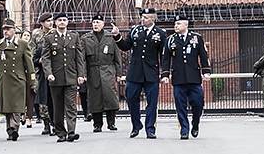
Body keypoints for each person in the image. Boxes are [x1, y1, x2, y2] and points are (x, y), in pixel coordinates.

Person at [112, 7, 166, 139]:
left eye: (146, 17)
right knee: (130, 98)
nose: (143, 19)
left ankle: (150, 129)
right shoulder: (135, 30)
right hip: (135, 72)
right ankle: (136, 124)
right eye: (142, 17)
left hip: (151, 72)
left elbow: (164, 55)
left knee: (152, 102)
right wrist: (117, 36)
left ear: (152, 19)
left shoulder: (160, 33)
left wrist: (164, 73)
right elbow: (125, 46)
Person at [161, 15, 212, 140]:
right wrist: (165, 74)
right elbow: (165, 59)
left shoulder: (196, 38)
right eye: (175, 24)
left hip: (194, 78)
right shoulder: (170, 40)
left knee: (198, 102)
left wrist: (206, 72)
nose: (176, 26)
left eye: (178, 24)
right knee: (180, 105)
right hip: (178, 78)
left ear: (186, 25)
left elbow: (203, 55)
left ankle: (195, 123)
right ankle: (184, 129)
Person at [0, 19, 36, 141]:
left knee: (17, 106)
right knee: (7, 107)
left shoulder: (22, 44)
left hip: (18, 79)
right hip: (4, 79)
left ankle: (14, 128)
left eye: (8, 29)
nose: (6, 31)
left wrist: (32, 81)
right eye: (4, 29)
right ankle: (10, 130)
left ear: (14, 30)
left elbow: (29, 65)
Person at [40, 11, 86, 142]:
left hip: (71, 77)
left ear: (67, 22)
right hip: (56, 78)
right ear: (55, 22)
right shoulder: (49, 38)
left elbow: (79, 57)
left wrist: (81, 74)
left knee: (71, 105)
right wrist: (49, 73)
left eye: (64, 20)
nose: (62, 22)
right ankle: (60, 131)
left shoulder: (74, 36)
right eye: (59, 20)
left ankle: (71, 131)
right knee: (58, 107)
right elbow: (46, 58)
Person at [82, 14, 122, 132]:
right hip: (93, 71)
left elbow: (117, 57)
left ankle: (111, 122)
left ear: (103, 24)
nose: (96, 25)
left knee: (110, 96)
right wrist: (83, 74)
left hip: (108, 70)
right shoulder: (86, 38)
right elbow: (82, 59)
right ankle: (97, 124)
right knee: (95, 98)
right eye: (94, 22)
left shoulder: (110, 37)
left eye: (98, 22)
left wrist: (118, 74)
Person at [30, 12, 55, 135]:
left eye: (52, 20)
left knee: (53, 98)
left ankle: (54, 122)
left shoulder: (55, 33)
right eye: (48, 21)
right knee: (42, 99)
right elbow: (31, 52)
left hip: (53, 70)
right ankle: (46, 124)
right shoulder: (36, 34)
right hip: (40, 71)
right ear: (42, 23)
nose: (51, 23)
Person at [20, 30, 35, 128]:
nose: (26, 37)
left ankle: (29, 118)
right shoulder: (18, 46)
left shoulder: (33, 47)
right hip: (21, 74)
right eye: (24, 35)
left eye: (28, 35)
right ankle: (23, 114)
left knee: (30, 97)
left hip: (31, 74)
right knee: (21, 97)